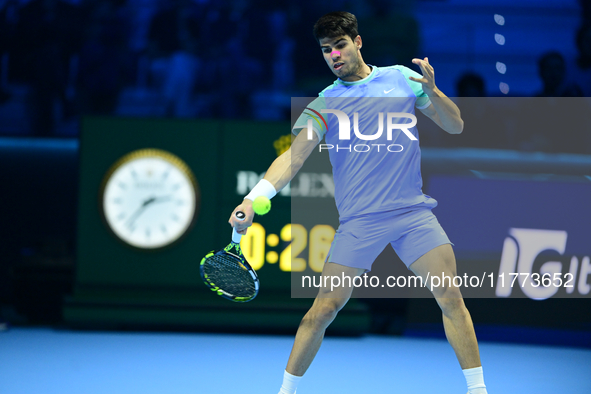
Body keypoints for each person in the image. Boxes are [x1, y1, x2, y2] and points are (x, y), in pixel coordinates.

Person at [229, 11, 488, 394]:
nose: (333, 55)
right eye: (325, 50)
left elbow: (455, 125)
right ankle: (286, 391)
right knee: (323, 309)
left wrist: (432, 92)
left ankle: (478, 390)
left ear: (358, 42)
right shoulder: (324, 103)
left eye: (340, 45)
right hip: (360, 222)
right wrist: (253, 198)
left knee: (450, 295)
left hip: (411, 213)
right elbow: (293, 158)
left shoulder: (402, 78)